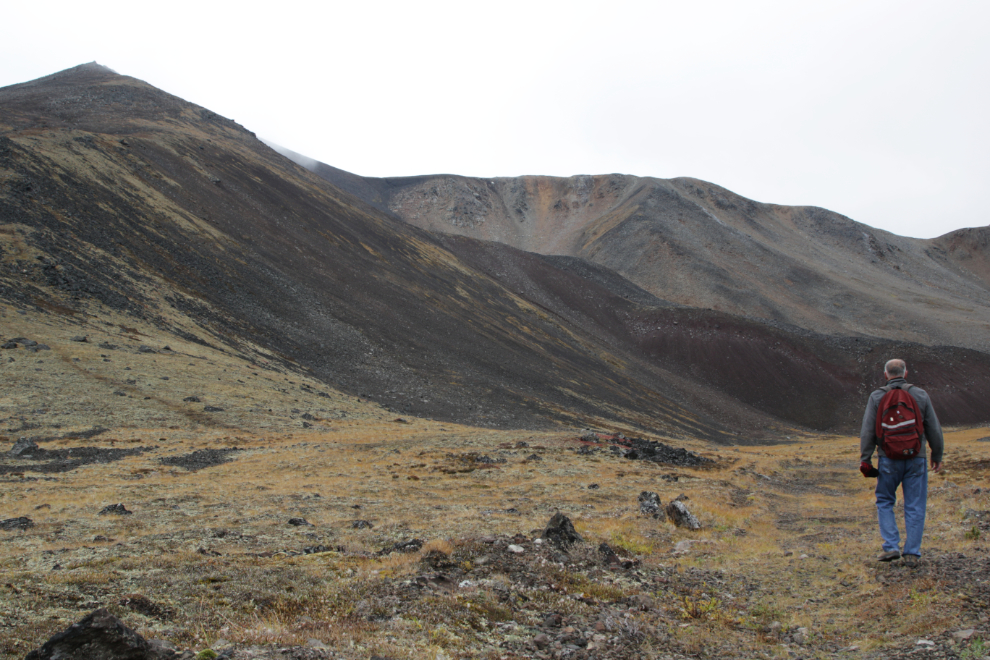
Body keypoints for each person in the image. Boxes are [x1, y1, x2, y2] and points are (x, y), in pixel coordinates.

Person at [860, 359, 943, 566]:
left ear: (886, 374)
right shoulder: (920, 395)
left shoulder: (877, 396)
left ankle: (891, 545)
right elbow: (933, 427)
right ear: (905, 373)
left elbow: (868, 430)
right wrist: (937, 455)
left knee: (885, 500)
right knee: (915, 504)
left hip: (888, 458)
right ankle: (912, 552)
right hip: (917, 458)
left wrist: (865, 458)